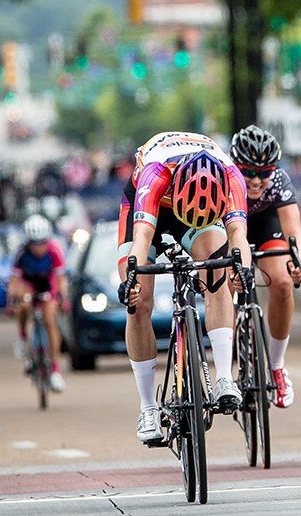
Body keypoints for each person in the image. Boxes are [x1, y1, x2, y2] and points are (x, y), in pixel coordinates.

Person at [117, 131, 252, 443]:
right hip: (153, 204)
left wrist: (241, 271)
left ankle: (223, 378)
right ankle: (148, 408)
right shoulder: (155, 173)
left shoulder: (231, 178)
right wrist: (131, 283)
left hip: (200, 210)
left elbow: (239, 238)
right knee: (139, 302)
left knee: (218, 272)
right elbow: (141, 239)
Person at [229, 125, 301, 409]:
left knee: (283, 282)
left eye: (263, 173)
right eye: (248, 171)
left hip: (264, 226)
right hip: (227, 225)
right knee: (225, 280)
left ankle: (276, 366)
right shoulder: (224, 178)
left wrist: (298, 263)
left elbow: (293, 231)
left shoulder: (280, 181)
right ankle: (227, 369)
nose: (255, 180)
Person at [8, 214, 70, 392]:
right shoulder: (21, 253)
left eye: (41, 243)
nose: (38, 248)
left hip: (46, 286)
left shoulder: (54, 251)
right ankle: (22, 336)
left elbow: (60, 279)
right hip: (28, 285)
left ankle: (55, 371)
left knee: (51, 321)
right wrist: (12, 300)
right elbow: (14, 281)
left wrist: (63, 298)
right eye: (34, 243)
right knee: (24, 303)